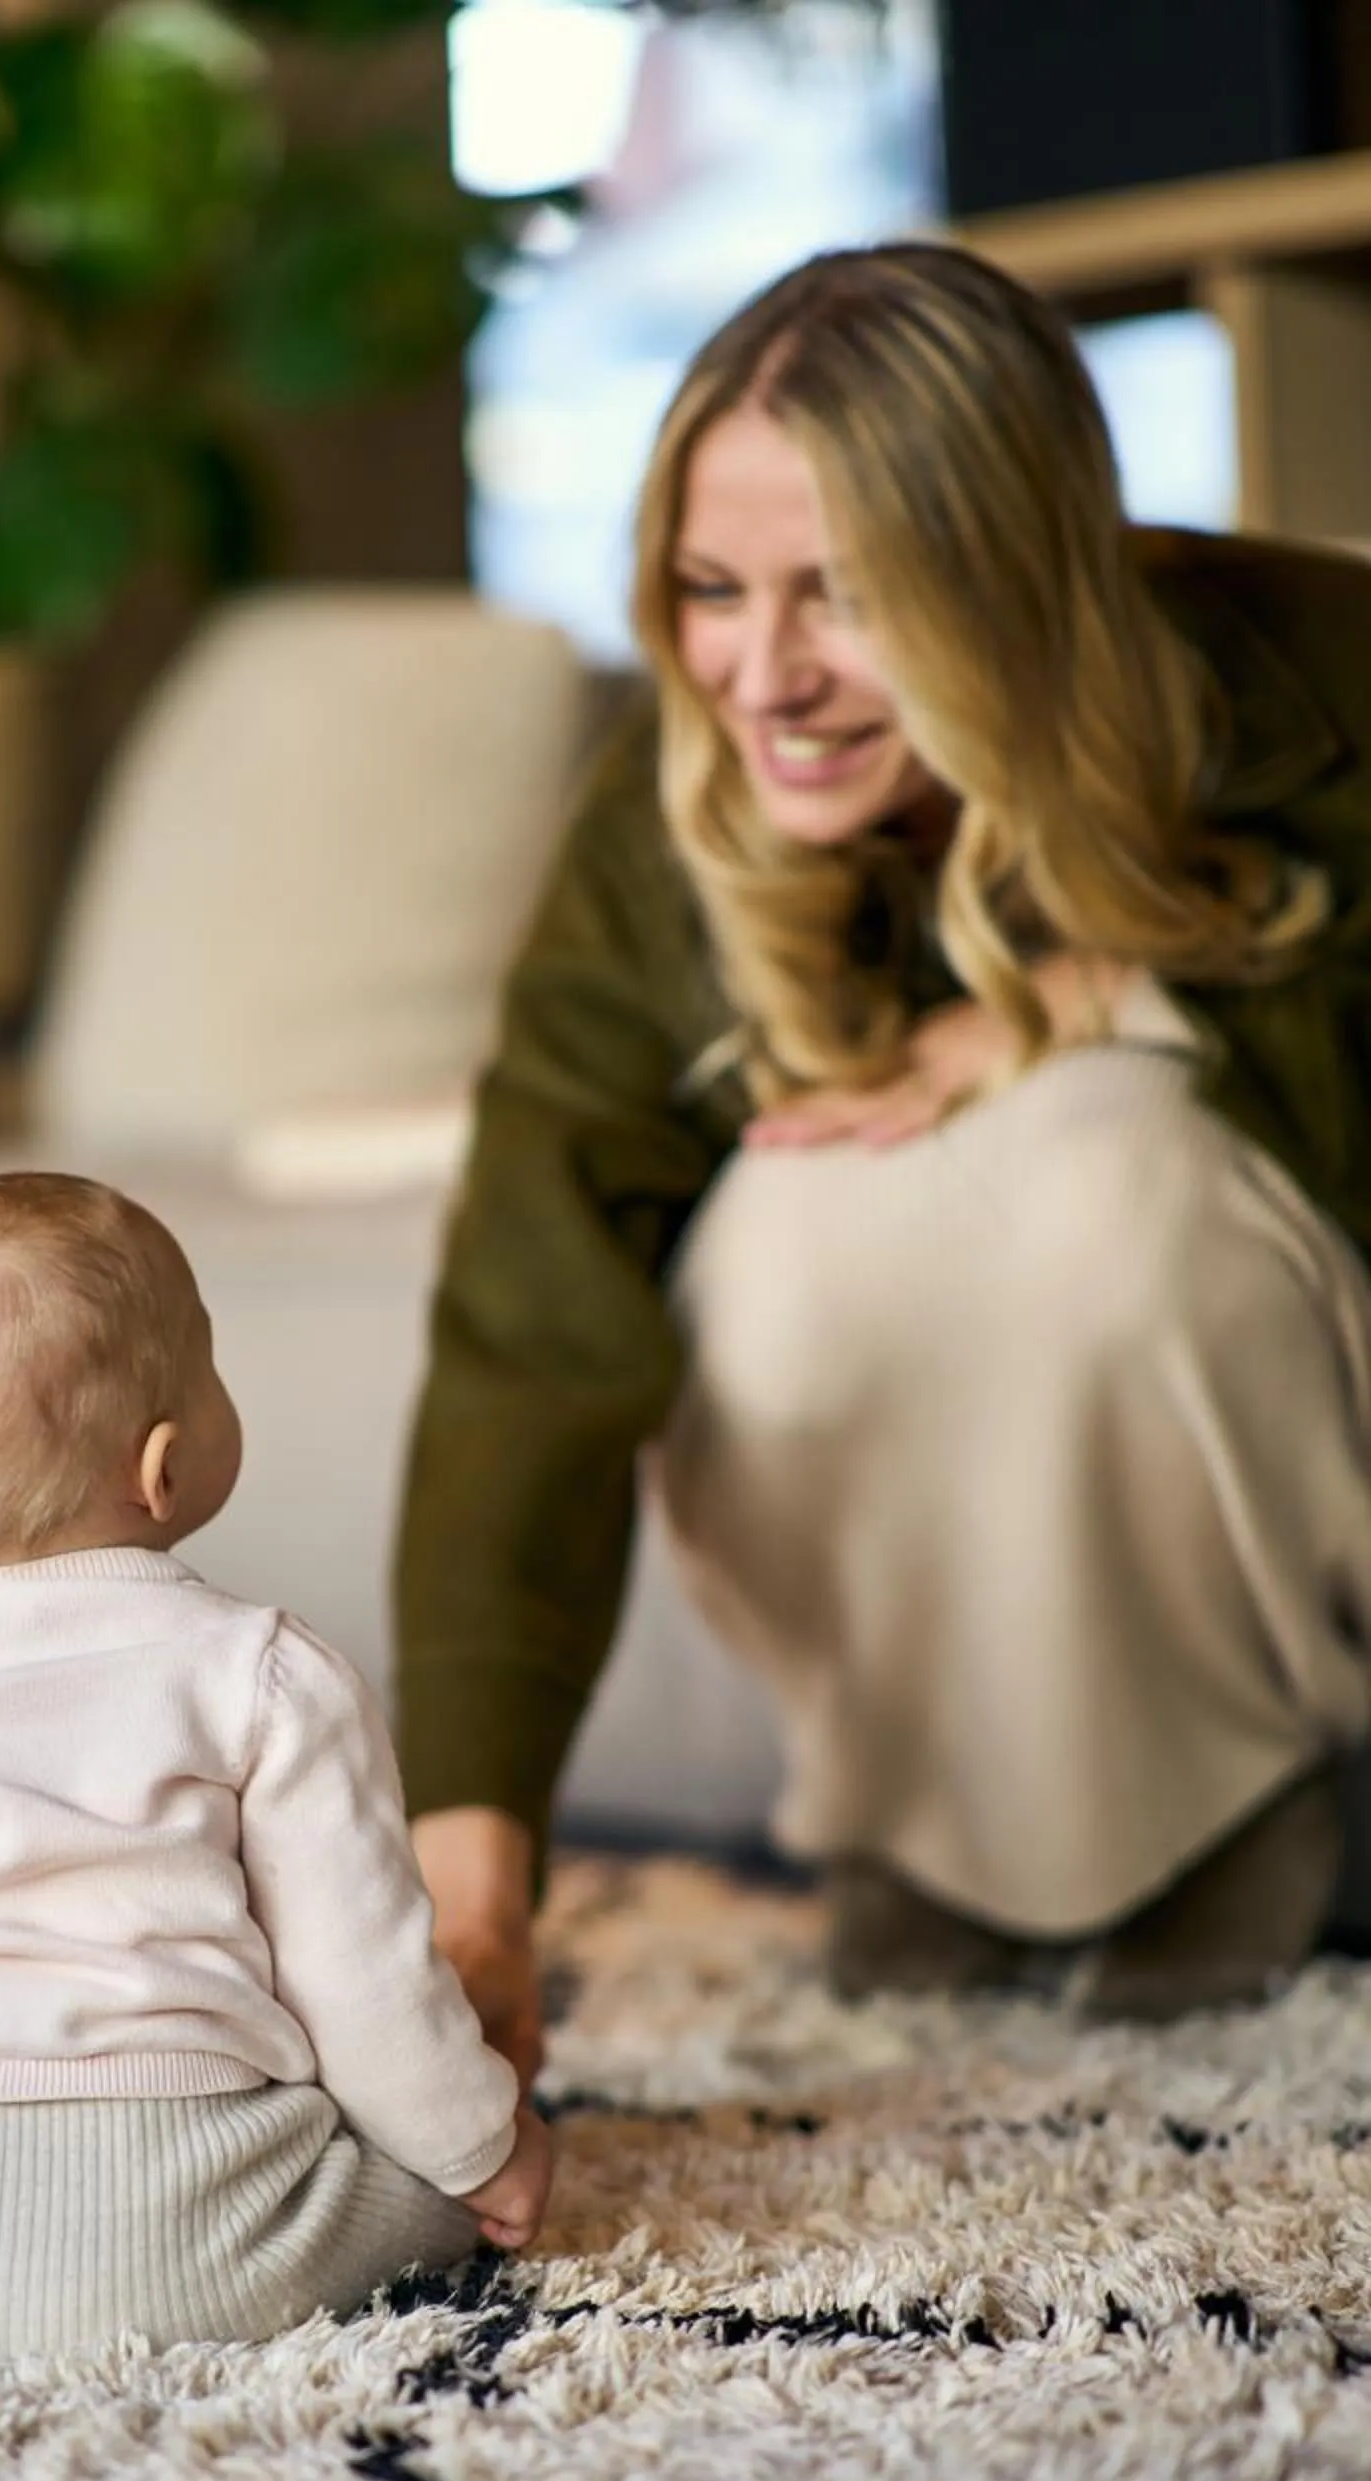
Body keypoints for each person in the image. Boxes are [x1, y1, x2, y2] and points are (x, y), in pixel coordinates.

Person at [398, 240, 1371, 2083]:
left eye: (845, 596)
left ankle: (1247, 1812)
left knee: (1098, 1178)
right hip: (894, 1730)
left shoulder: (1314, 670)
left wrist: (1111, 990)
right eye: (706, 588)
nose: (761, 675)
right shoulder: (671, 811)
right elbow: (533, 1316)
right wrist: (473, 1885)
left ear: (1006, 580)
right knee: (778, 1245)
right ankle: (941, 1835)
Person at [0, 1171, 547, 2362]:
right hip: (218, 2228)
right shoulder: (263, 1674)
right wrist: (483, 2151)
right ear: (162, 1466)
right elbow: (362, 1977)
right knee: (416, 2191)